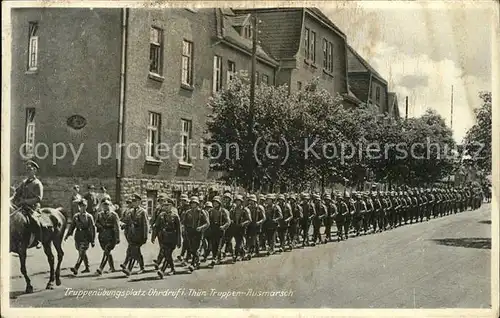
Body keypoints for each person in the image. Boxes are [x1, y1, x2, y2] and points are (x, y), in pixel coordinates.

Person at [11, 160, 44, 249]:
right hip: (21, 207)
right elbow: (17, 193)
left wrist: (25, 201)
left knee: (34, 220)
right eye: (27, 170)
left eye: (30, 169)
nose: (28, 172)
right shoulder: (24, 182)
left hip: (33, 207)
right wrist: (10, 200)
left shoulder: (37, 183)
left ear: (35, 171)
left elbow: (38, 198)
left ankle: (38, 240)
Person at [65, 198, 96, 275]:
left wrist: (92, 240)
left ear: (86, 206)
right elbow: (72, 226)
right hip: (78, 236)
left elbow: (92, 228)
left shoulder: (89, 217)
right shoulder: (76, 216)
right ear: (79, 207)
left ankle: (76, 267)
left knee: (82, 252)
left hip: (86, 236)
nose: (83, 207)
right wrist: (67, 235)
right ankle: (87, 267)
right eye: (81, 206)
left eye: (84, 206)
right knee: (81, 252)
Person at [152, 198, 181, 278]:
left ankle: (162, 270)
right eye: (165, 205)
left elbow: (179, 230)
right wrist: (153, 237)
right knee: (167, 254)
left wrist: (179, 241)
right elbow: (156, 226)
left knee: (168, 254)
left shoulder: (175, 216)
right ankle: (172, 269)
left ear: (171, 206)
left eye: (168, 205)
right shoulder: (161, 215)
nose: (166, 207)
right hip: (164, 238)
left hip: (172, 238)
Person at [120, 193, 148, 276]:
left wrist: (145, 236)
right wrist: (124, 225)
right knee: (136, 252)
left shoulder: (143, 212)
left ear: (139, 202)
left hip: (139, 235)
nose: (133, 203)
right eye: (133, 201)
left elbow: (145, 225)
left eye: (135, 201)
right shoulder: (131, 211)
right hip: (131, 235)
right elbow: (128, 221)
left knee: (133, 251)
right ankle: (142, 267)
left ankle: (129, 269)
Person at [182, 196, 209, 272]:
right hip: (190, 232)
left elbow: (207, 223)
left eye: (194, 203)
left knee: (196, 249)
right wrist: (184, 228)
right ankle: (197, 262)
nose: (193, 205)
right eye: (192, 203)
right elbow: (184, 222)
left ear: (197, 204)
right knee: (191, 249)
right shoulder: (188, 212)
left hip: (198, 233)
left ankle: (193, 264)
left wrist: (201, 228)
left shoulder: (201, 212)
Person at [95, 197, 120, 275]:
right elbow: (96, 223)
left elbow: (117, 227)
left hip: (111, 236)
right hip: (102, 237)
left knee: (107, 250)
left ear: (110, 205)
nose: (106, 207)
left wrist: (117, 238)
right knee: (107, 252)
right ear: (102, 206)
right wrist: (99, 226)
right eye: (104, 205)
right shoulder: (99, 214)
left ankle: (100, 268)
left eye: (107, 205)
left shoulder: (113, 215)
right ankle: (112, 268)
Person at [206, 196, 231, 266]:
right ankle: (216, 258)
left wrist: (223, 227)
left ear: (219, 203)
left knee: (219, 245)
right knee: (213, 245)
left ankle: (215, 259)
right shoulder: (210, 211)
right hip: (213, 230)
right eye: (213, 202)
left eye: (216, 202)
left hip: (220, 230)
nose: (214, 204)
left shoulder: (224, 211)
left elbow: (228, 221)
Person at [229, 195, 251, 261]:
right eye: (236, 201)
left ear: (241, 202)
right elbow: (231, 218)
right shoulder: (233, 210)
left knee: (239, 242)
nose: (237, 203)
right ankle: (244, 253)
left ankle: (237, 255)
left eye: (238, 201)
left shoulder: (245, 210)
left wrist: (243, 223)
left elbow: (249, 219)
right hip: (235, 227)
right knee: (237, 242)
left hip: (242, 228)